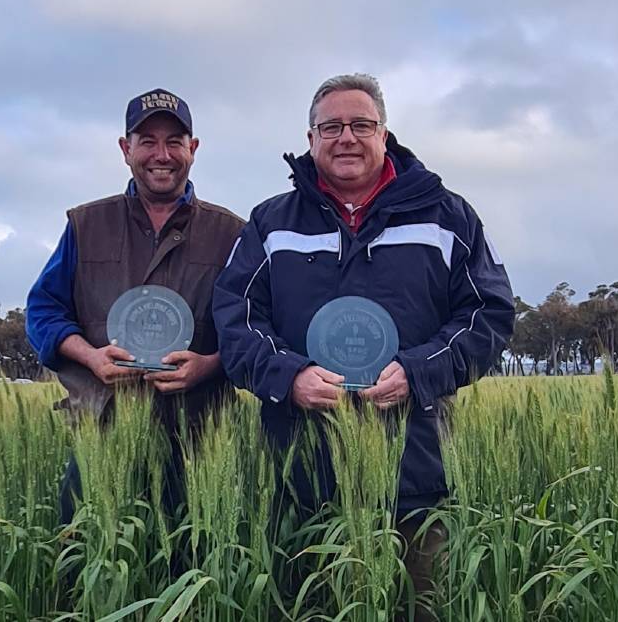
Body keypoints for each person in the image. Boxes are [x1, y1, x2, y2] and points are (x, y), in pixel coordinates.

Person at [213, 73, 516, 620]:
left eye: (361, 124)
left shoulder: (447, 217)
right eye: (330, 126)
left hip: (415, 473)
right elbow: (235, 321)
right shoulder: (271, 223)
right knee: (308, 607)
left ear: (385, 133)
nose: (345, 137)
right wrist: (290, 377)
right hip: (298, 475)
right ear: (310, 139)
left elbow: (487, 315)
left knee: (414, 606)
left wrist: (418, 371)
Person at [26, 88, 245, 521]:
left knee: (195, 566)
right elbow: (43, 312)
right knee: (89, 561)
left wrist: (208, 365)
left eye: (174, 142)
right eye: (147, 141)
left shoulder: (231, 232)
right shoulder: (86, 225)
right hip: (104, 432)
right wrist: (90, 356)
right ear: (126, 149)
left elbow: (254, 326)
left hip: (201, 440)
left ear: (193, 149)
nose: (161, 154)